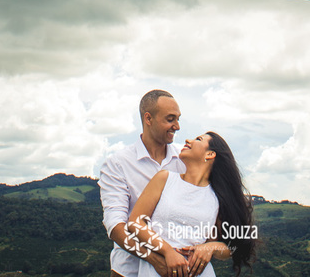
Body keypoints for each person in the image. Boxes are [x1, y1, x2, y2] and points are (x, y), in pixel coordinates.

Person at [124, 131, 257, 277]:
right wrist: (167, 252)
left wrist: (210, 247)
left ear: (210, 154)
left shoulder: (217, 198)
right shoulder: (165, 179)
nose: (188, 140)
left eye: (198, 139)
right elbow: (135, 223)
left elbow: (230, 246)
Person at [100, 90, 187, 277]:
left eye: (178, 119)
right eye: (170, 119)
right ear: (148, 118)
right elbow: (115, 226)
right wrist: (154, 259)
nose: (177, 126)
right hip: (129, 271)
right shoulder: (118, 163)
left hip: (177, 270)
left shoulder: (185, 160)